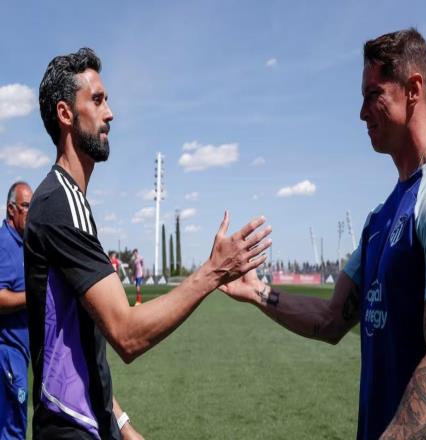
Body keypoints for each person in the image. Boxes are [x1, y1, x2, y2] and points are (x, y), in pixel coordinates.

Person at [221, 28, 426, 439]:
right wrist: (256, 291)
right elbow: (332, 319)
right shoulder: (381, 218)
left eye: (373, 95)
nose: (362, 113)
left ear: (413, 89)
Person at [25, 47, 272, 440]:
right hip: (72, 429)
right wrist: (212, 272)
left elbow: (80, 345)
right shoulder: (60, 202)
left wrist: (122, 424)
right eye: (97, 100)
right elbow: (126, 334)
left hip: (90, 424)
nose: (110, 113)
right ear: (65, 114)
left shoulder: (68, 201)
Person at [0, 181, 33, 439]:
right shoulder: (4, 244)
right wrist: (34, 296)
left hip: (20, 353)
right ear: (11, 210)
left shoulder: (22, 243)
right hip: (8, 352)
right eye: (26, 206)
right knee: (13, 431)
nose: (31, 212)